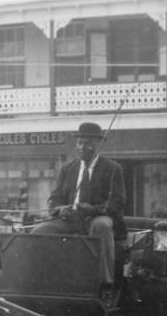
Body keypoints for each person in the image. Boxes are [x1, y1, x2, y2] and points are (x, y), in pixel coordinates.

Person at [32, 121, 126, 305]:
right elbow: (54, 198)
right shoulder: (68, 169)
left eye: (89, 143)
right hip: (69, 219)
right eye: (80, 143)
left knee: (102, 227)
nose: (84, 147)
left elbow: (117, 202)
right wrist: (60, 209)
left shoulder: (113, 169)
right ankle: (44, 280)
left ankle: (105, 284)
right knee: (40, 231)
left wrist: (93, 209)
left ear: (99, 144)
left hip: (96, 217)